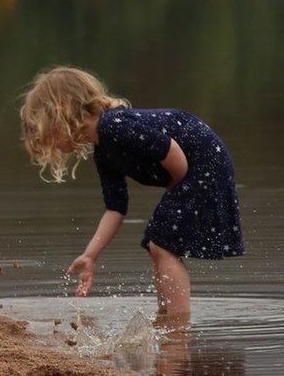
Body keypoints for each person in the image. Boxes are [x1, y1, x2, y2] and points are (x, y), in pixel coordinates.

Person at [19, 66, 244, 325]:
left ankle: (178, 326)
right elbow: (116, 208)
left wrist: (176, 190)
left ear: (60, 113)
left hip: (204, 162)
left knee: (161, 243)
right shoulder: (103, 151)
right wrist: (90, 255)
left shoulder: (114, 125)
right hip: (192, 169)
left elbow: (172, 152)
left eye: (46, 132)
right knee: (157, 244)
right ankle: (167, 318)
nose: (50, 143)